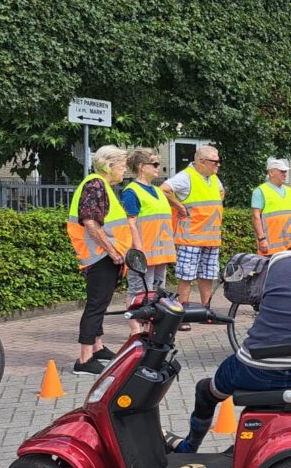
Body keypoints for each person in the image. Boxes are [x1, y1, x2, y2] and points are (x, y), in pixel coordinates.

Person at [171, 211, 291, 454]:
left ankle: (189, 446)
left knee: (205, 389)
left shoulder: (280, 261)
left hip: (254, 367)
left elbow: (256, 294)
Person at [67, 145, 130, 376]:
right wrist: (112, 251)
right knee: (95, 305)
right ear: (109, 166)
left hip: (104, 256)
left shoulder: (102, 186)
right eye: (122, 166)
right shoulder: (95, 185)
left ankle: (98, 346)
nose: (124, 170)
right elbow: (90, 222)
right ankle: (84, 359)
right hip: (100, 256)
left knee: (100, 304)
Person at [161, 145, 225, 327]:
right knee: (186, 276)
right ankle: (181, 315)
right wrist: (179, 206)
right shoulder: (185, 177)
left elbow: (221, 192)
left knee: (208, 274)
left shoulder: (212, 178)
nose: (218, 165)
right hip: (191, 237)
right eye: (215, 161)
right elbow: (164, 189)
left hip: (210, 237)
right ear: (201, 162)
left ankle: (206, 310)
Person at [122, 148, 176, 334]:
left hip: (160, 252)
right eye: (154, 164)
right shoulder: (131, 192)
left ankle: (150, 328)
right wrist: (138, 249)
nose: (158, 168)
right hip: (144, 252)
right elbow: (131, 222)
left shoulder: (157, 191)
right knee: (138, 292)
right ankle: (135, 330)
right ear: (141, 167)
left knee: (156, 291)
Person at [251, 157, 291, 256]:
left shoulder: (289, 191)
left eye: (285, 171)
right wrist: (261, 238)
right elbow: (256, 217)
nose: (285, 174)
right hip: (271, 244)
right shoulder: (260, 191)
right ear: (271, 173)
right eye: (282, 171)